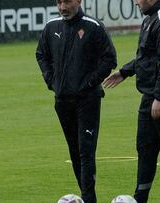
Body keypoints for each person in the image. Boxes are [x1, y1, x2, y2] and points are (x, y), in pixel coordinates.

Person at [103, 0, 160, 202]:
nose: (135, 2)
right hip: (151, 95)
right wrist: (125, 71)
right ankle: (139, 198)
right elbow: (147, 57)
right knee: (145, 148)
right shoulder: (151, 18)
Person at [36, 0, 117, 202]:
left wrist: (89, 82)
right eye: (59, 2)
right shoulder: (51, 27)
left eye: (68, 2)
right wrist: (51, 80)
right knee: (74, 151)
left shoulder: (93, 26)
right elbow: (41, 54)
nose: (63, 7)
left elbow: (110, 59)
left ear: (79, 1)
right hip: (62, 101)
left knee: (86, 151)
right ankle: (86, 195)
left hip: (88, 100)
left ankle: (89, 199)